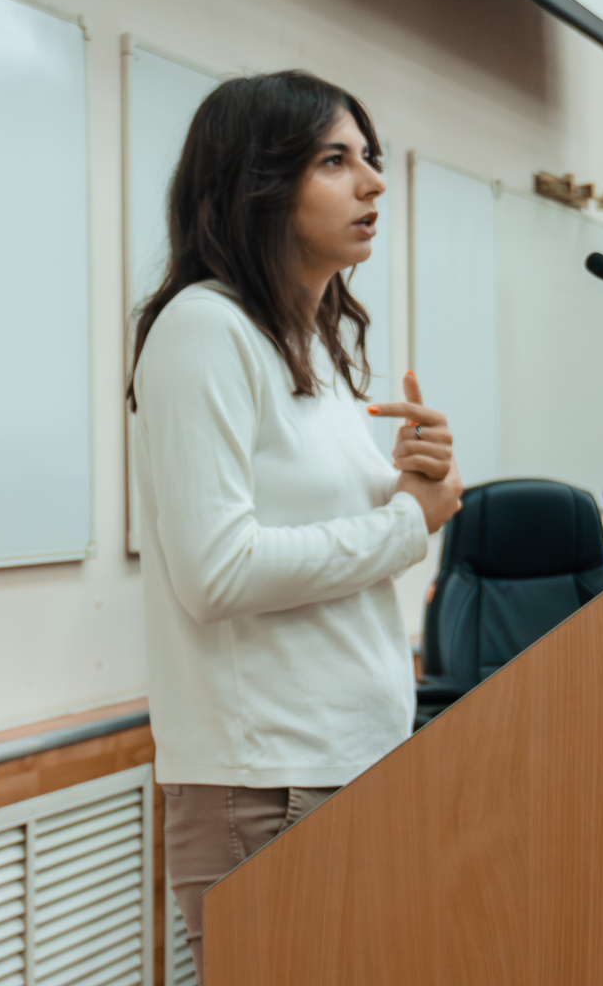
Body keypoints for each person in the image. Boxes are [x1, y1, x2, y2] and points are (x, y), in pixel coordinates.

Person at [128, 70, 463, 982]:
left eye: (370, 158)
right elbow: (218, 572)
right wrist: (408, 522)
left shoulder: (307, 342)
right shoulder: (204, 330)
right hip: (268, 781)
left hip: (356, 758)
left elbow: (326, 526)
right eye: (335, 161)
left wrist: (412, 482)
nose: (374, 182)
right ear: (258, 183)